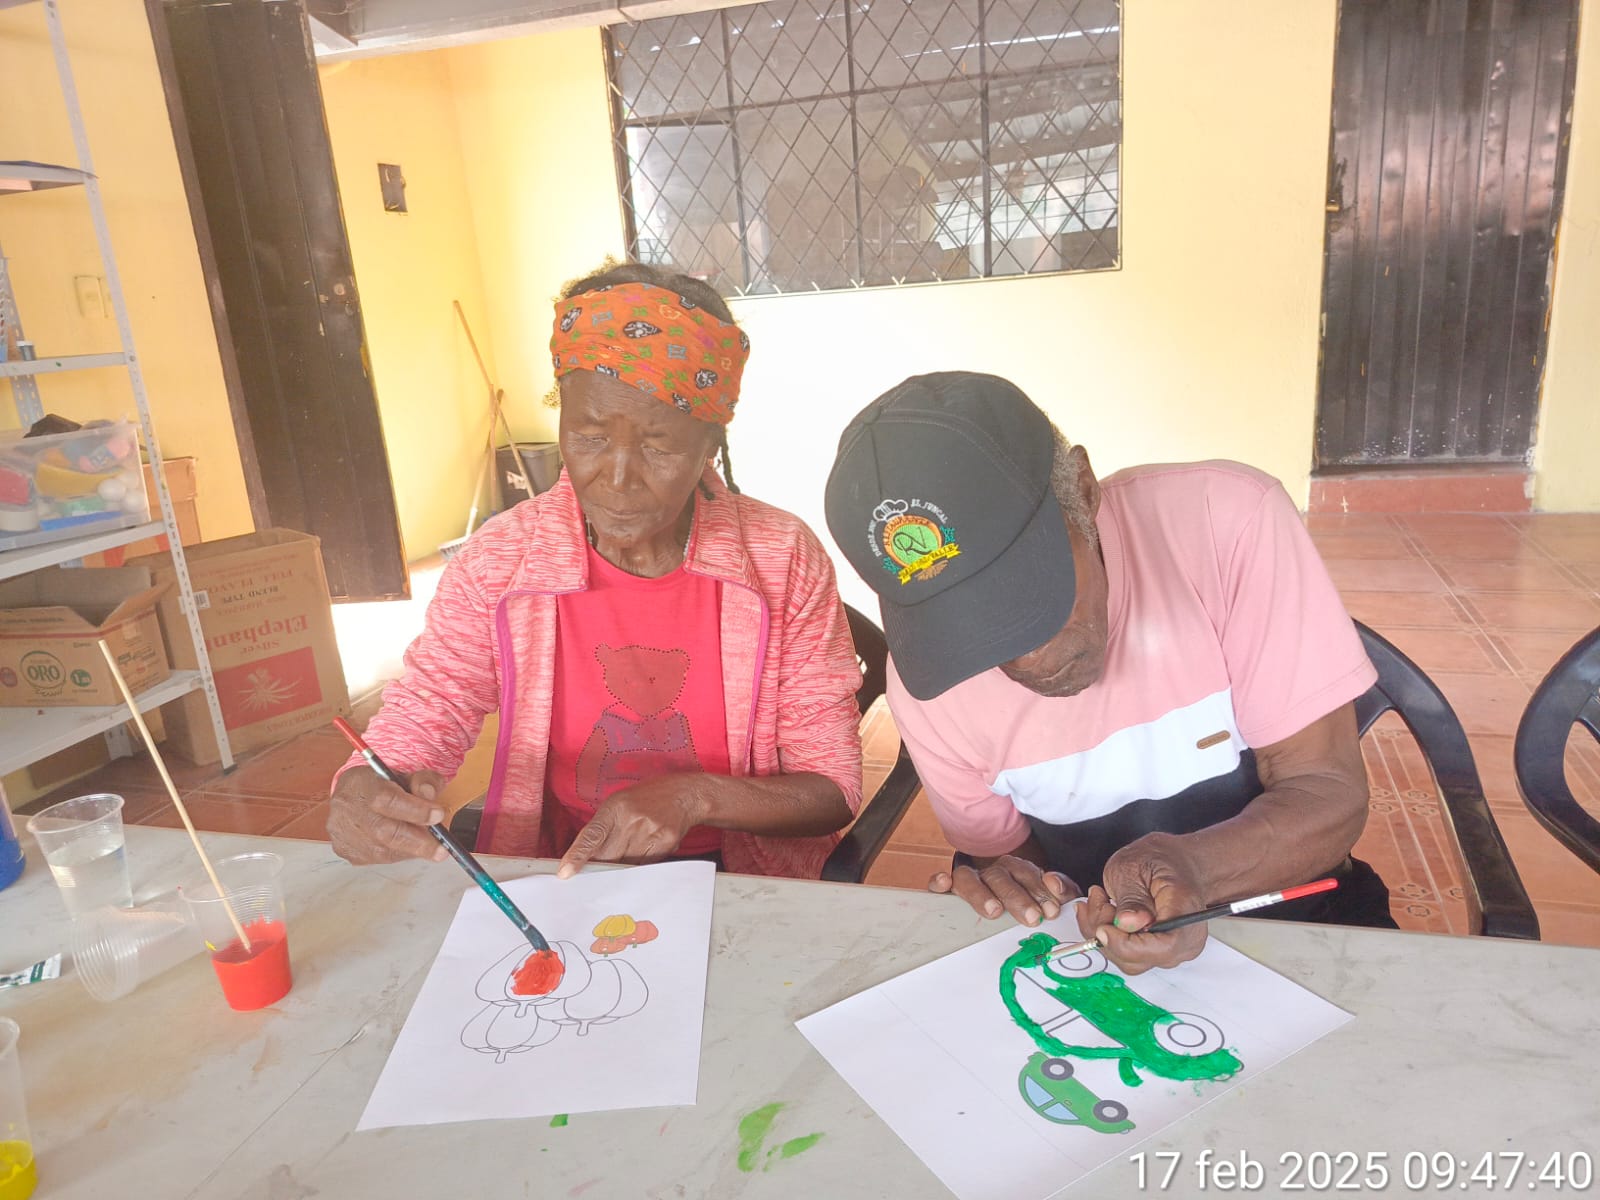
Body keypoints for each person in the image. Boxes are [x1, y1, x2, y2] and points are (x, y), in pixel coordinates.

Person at [824, 371, 1393, 973]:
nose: (1025, 660)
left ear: (1083, 489)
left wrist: (1195, 868)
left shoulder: (1225, 522)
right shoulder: (928, 682)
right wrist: (1017, 887)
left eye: (1030, 599)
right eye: (965, 630)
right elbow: (1011, 861)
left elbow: (1327, 793)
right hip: (1105, 958)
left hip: (1298, 923)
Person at [328, 262, 863, 878]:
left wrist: (694, 797)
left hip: (742, 877)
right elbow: (434, 704)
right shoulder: (502, 560)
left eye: (659, 446)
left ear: (709, 446)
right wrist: (368, 785)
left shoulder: (782, 557)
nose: (616, 478)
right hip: (567, 869)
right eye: (588, 436)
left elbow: (833, 786)